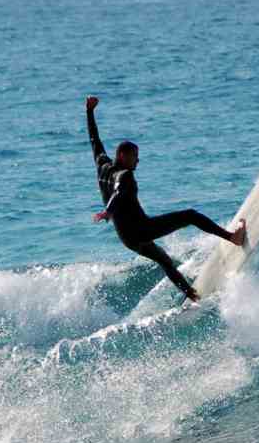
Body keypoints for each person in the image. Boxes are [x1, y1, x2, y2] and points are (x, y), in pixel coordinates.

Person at [84, 95, 245, 302]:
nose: (138, 161)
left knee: (164, 260)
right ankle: (232, 237)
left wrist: (89, 112)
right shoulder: (125, 175)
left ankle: (192, 295)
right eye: (135, 156)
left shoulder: (102, 166)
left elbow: (94, 140)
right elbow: (118, 191)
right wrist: (108, 210)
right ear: (123, 156)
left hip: (127, 238)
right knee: (191, 216)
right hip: (142, 229)